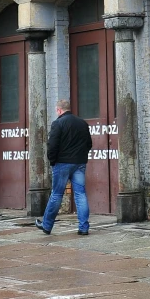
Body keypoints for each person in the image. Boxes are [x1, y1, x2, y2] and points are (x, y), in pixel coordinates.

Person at [37, 98, 92, 236]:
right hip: (79, 163)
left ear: (59, 110)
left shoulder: (58, 123)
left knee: (56, 194)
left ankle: (47, 225)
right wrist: (81, 156)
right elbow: (89, 144)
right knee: (80, 194)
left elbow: (52, 145)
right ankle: (84, 227)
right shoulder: (82, 123)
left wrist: (52, 161)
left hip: (62, 163)